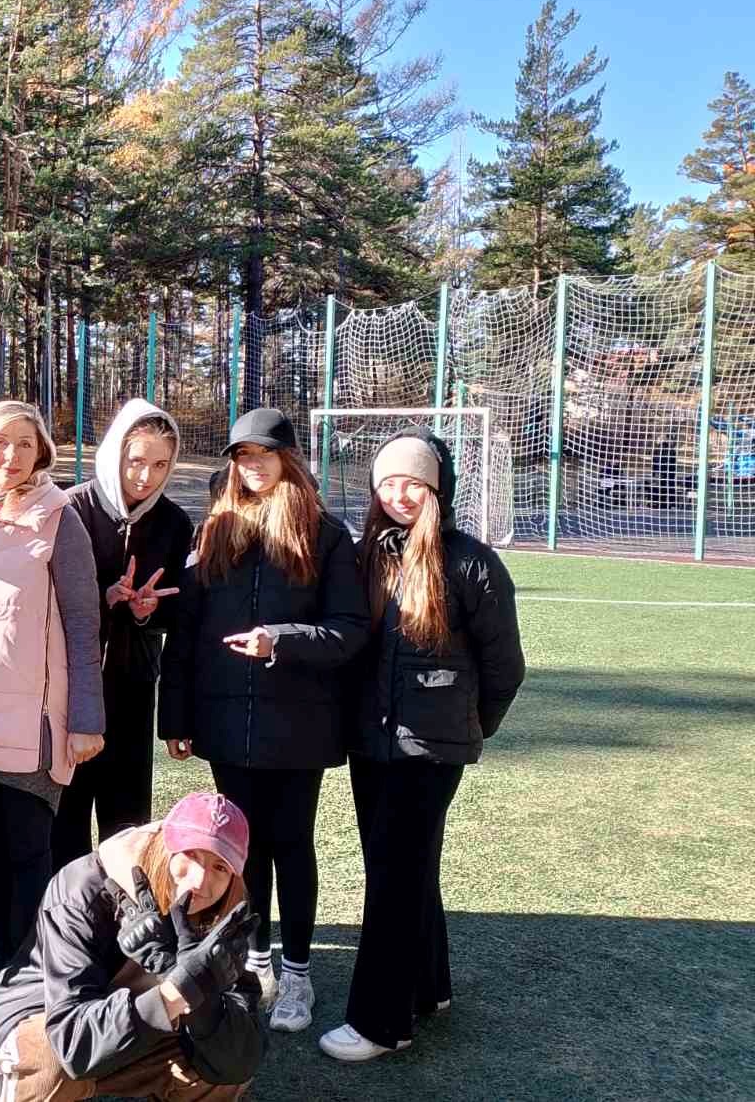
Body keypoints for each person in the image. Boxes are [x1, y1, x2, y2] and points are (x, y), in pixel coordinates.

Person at [158, 407, 368, 1038]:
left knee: (291, 844)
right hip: (226, 722)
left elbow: (348, 630)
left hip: (300, 725)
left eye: (264, 454)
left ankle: (297, 972)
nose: (252, 466)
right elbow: (186, 633)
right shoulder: (214, 530)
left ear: (288, 460)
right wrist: (176, 715)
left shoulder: (326, 536)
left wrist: (280, 640)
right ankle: (252, 962)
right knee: (238, 852)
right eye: (243, 456)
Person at [319, 429, 525, 1063]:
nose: (401, 494)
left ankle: (382, 1023)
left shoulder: (471, 563)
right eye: (389, 482)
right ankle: (429, 986)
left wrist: (466, 726)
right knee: (405, 870)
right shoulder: (364, 557)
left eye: (415, 483)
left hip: (430, 753)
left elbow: (505, 666)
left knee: (392, 879)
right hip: (371, 747)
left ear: (438, 490)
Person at [0, 399, 106, 1022]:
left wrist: (86, 719)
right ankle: (3, 974)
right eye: (0, 442)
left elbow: (84, 625)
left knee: (30, 860)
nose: (11, 456)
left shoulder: (58, 519)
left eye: (25, 444)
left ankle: (32, 989)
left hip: (34, 726)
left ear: (41, 454)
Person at [0, 791, 265, 1102]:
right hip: (43, 1017)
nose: (199, 881)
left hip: (131, 1029)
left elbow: (240, 1061)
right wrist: (175, 992)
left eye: (220, 867)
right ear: (164, 846)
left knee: (217, 1065)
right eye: (190, 854)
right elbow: (73, 1047)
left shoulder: (226, 913)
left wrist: (191, 989)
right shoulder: (82, 889)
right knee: (43, 1061)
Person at [56, 399, 192, 867]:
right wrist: (104, 597)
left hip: (133, 686)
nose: (145, 476)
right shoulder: (70, 508)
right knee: (67, 821)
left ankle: (127, 910)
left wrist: (147, 611)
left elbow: (177, 613)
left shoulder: (174, 522)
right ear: (116, 452)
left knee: (128, 824)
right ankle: (68, 909)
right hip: (72, 686)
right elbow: (46, 601)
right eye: (136, 461)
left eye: (160, 465)